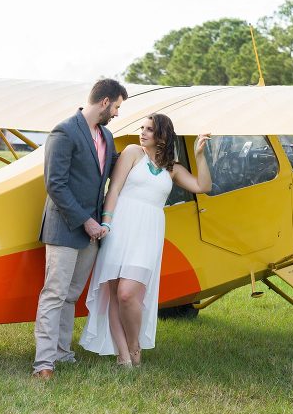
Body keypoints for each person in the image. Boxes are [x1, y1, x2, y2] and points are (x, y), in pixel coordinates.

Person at [79, 114, 211, 366]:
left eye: (149, 130)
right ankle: (123, 357)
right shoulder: (131, 153)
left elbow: (203, 185)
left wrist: (200, 155)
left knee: (129, 294)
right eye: (143, 128)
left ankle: (134, 347)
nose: (143, 133)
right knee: (115, 293)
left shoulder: (172, 168)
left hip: (148, 232)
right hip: (120, 227)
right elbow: (114, 188)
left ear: (162, 135)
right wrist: (107, 221)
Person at [32, 78, 128, 379]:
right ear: (104, 101)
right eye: (116, 107)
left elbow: (113, 169)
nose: (116, 113)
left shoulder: (107, 136)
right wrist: (86, 221)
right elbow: (55, 185)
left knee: (71, 295)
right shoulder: (64, 131)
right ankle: (43, 364)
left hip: (92, 231)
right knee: (54, 293)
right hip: (66, 227)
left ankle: (62, 353)